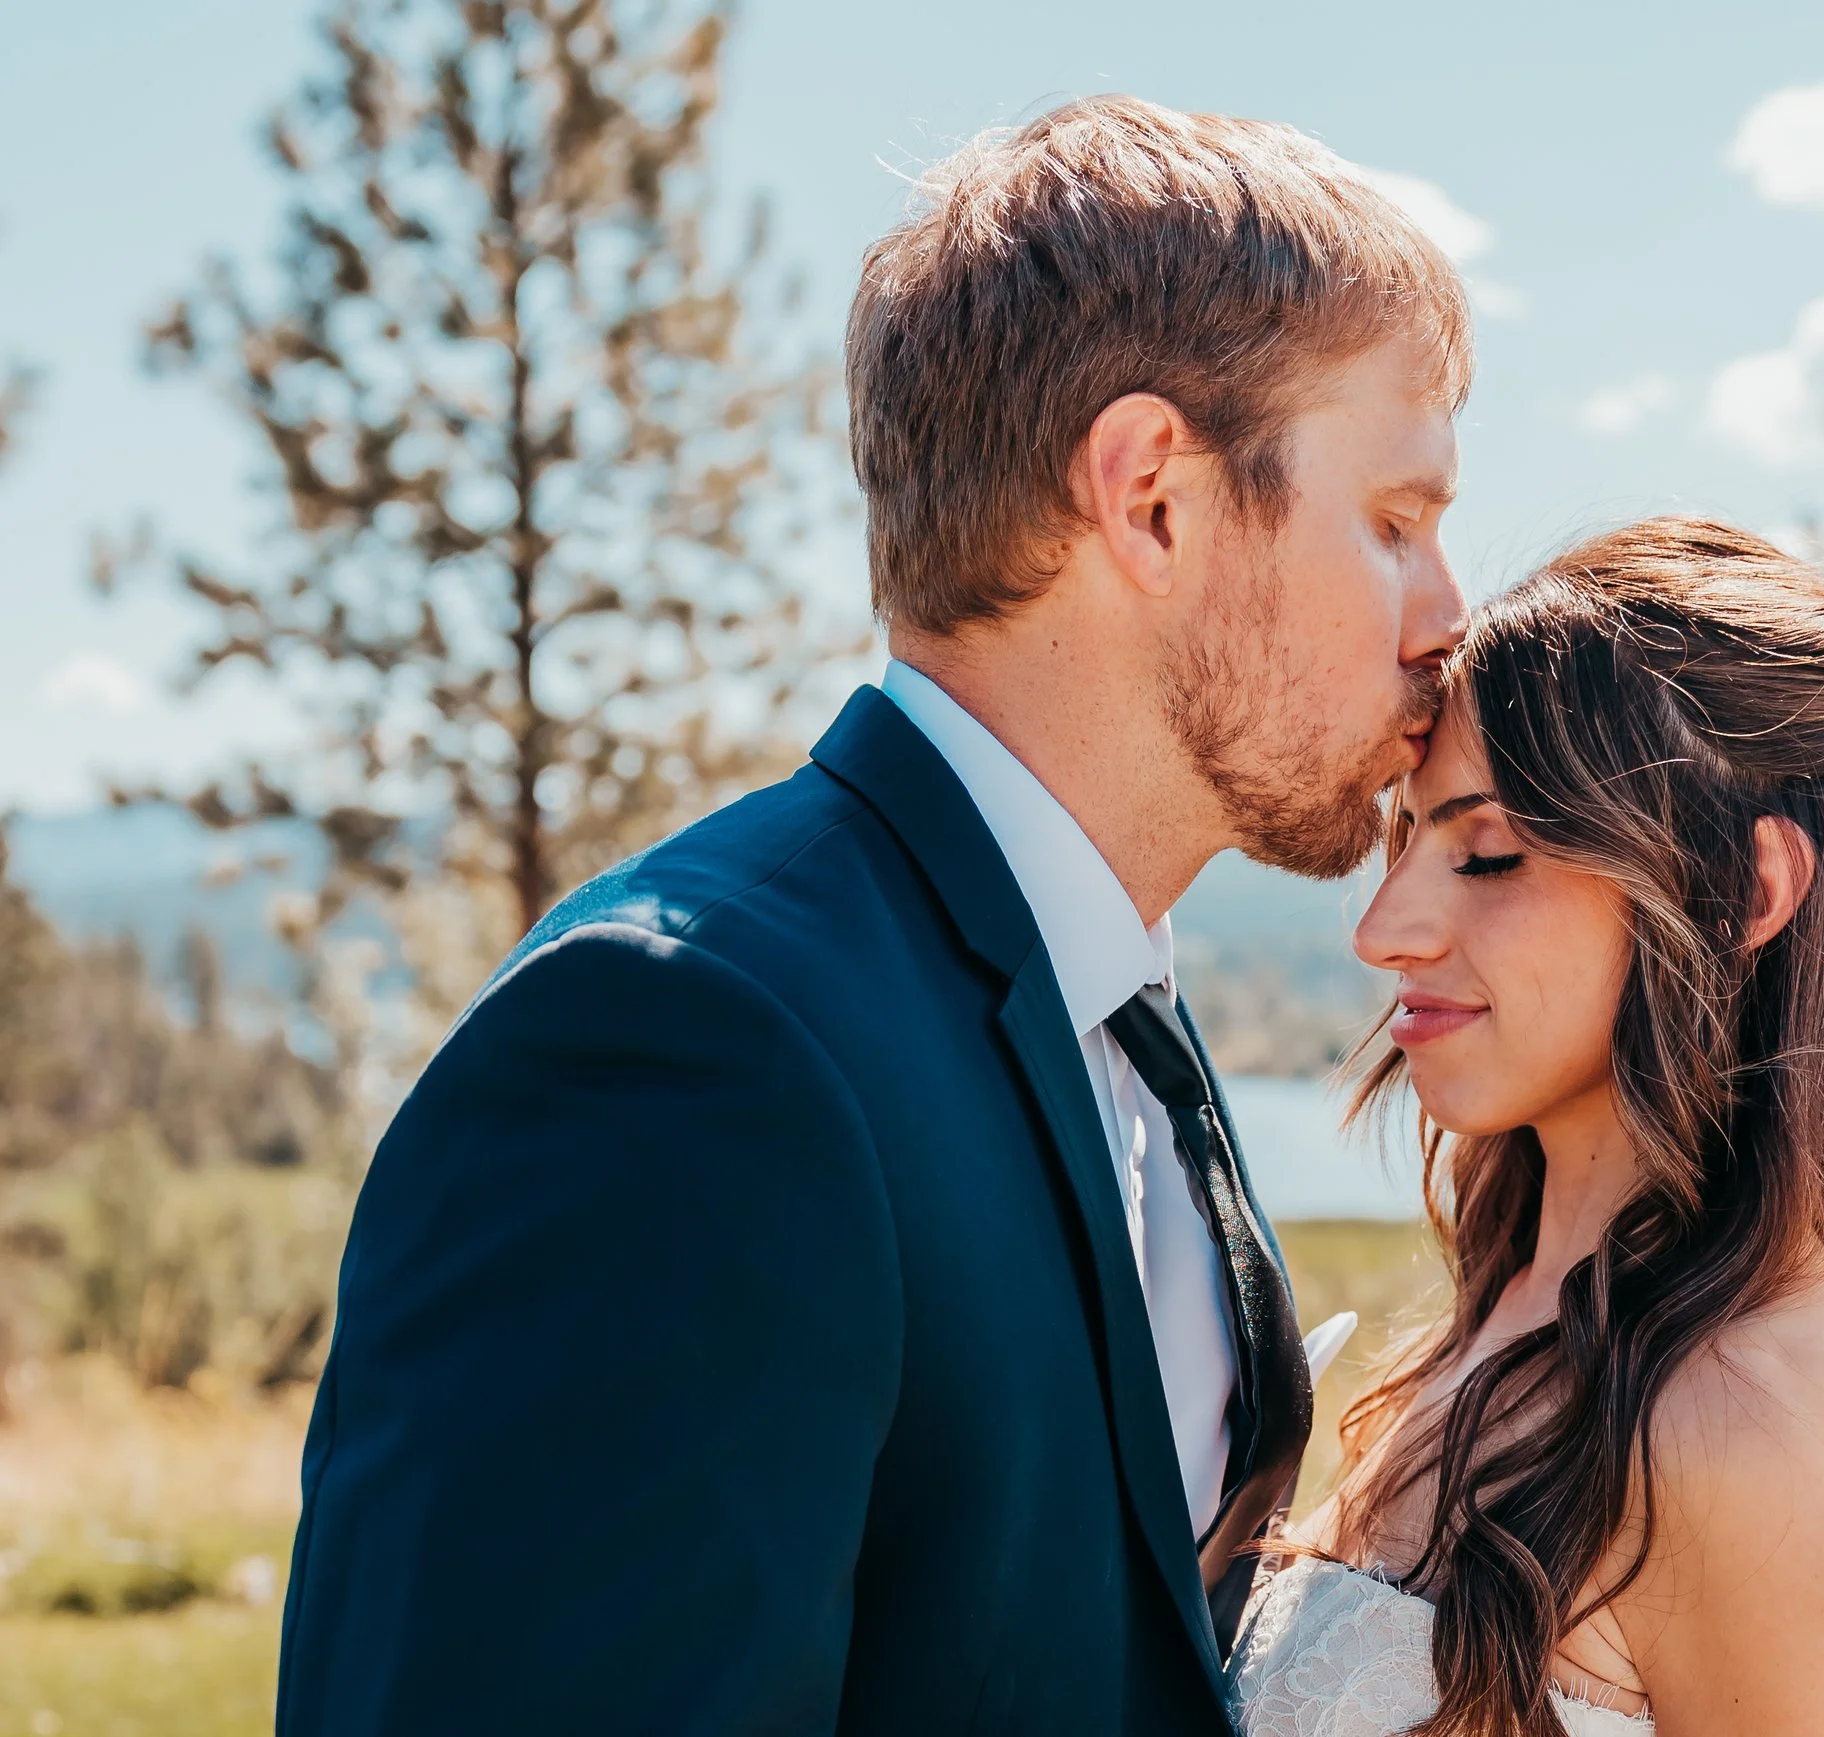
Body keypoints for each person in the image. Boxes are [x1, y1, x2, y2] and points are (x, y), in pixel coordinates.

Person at [275, 94, 1469, 1737]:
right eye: (1397, 521)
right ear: (1152, 499)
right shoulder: (683, 1052)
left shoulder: (1127, 1021)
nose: (1446, 616)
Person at [1231, 517, 1824, 1736]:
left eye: (1488, 853)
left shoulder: (1754, 1414)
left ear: (1744, 894)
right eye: (1404, 837)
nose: (1383, 929)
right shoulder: (1514, 1303)